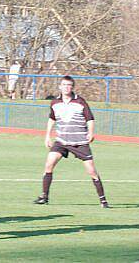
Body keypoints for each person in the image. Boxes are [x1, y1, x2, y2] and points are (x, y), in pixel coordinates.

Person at [33, 76, 110, 208]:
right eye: (64, 85)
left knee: (91, 171)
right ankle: (44, 196)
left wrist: (91, 132)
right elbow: (52, 119)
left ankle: (103, 201)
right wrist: (47, 136)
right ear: (60, 86)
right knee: (49, 164)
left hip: (79, 141)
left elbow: (90, 119)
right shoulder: (55, 103)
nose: (66, 87)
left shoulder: (80, 102)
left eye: (69, 85)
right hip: (61, 140)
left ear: (72, 87)